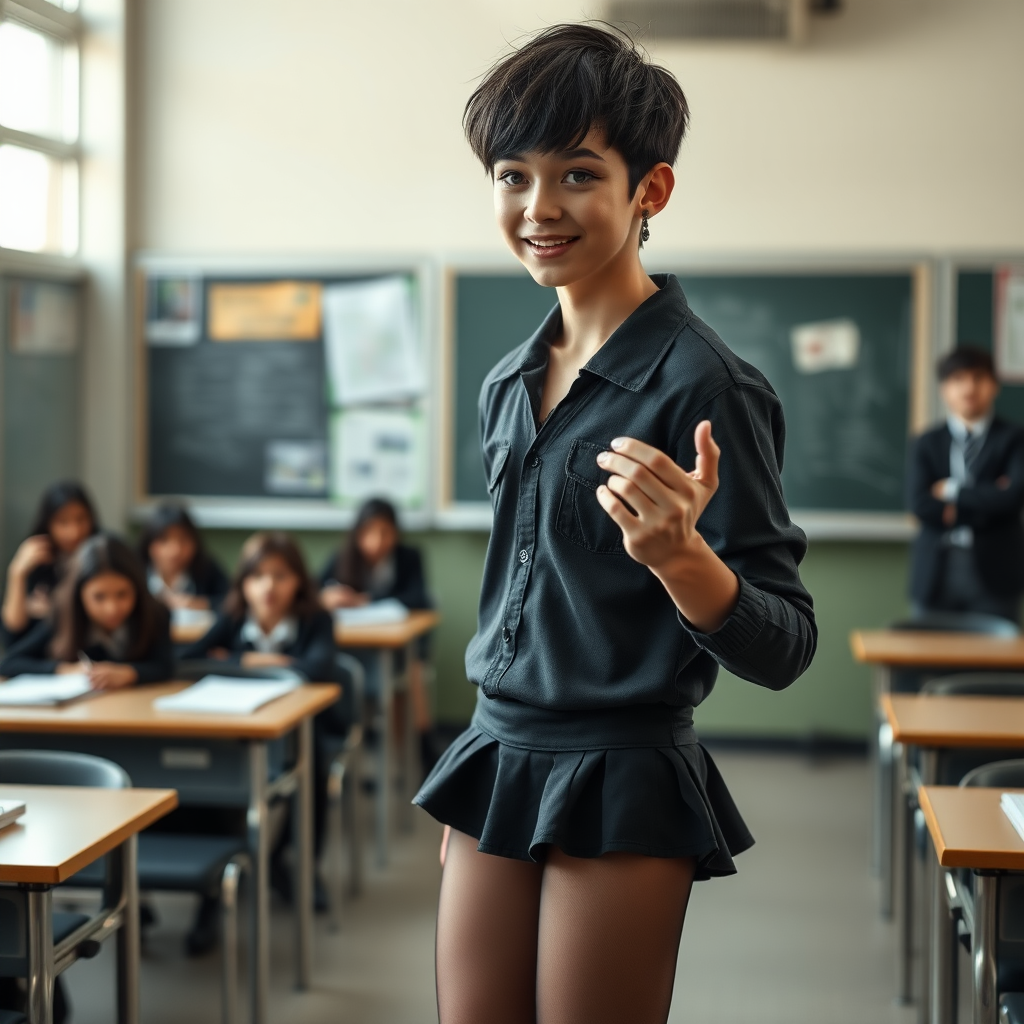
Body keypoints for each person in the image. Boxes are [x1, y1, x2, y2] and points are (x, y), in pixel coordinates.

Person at [412, 24, 816, 1024]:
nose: (538, 209)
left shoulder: (706, 385)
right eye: (512, 175)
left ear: (651, 191)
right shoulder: (509, 379)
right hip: (496, 753)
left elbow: (785, 646)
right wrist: (479, 770)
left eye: (577, 174)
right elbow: (518, 602)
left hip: (622, 770)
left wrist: (681, 557)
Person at [181, 531, 341, 929]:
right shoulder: (232, 615)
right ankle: (214, 884)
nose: (268, 587)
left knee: (313, 765)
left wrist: (240, 660)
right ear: (243, 583)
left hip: (301, 731)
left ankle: (299, 866)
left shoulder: (315, 619)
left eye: (280, 576)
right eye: (257, 577)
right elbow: (187, 659)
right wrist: (275, 662)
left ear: (299, 581)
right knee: (208, 771)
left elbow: (317, 668)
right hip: (237, 728)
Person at [908, 345, 1024, 623]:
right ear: (944, 389)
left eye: (979, 377)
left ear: (994, 385)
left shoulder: (1015, 439)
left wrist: (952, 491)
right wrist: (990, 496)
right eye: (958, 379)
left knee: (996, 664)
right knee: (927, 658)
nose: (969, 387)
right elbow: (919, 504)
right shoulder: (926, 442)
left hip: (997, 572)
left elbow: (1013, 498)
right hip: (937, 570)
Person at [319, 497, 436, 770]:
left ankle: (420, 751)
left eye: (385, 532)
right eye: (368, 532)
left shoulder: (409, 557)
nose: (376, 541)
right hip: (353, 649)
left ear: (396, 533)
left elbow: (418, 599)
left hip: (398, 649)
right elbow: (315, 592)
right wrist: (327, 597)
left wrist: (364, 601)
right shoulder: (343, 556)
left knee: (410, 674)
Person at [0, 533, 173, 686]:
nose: (111, 609)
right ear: (79, 595)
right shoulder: (64, 614)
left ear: (138, 588)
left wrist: (130, 673)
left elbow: (167, 667)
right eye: (99, 597)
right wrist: (64, 670)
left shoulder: (156, 613)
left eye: (122, 594)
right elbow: (9, 663)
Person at [1, 481, 99, 647]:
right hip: (41, 657)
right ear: (48, 523)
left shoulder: (102, 556)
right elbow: (13, 634)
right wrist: (17, 572)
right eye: (63, 522)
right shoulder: (37, 558)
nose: (74, 531)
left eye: (81, 519)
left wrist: (54, 609)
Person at [138, 502, 230, 612]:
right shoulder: (136, 569)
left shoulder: (206, 568)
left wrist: (199, 603)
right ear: (149, 543)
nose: (175, 550)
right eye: (164, 540)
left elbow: (232, 600)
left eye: (183, 540)